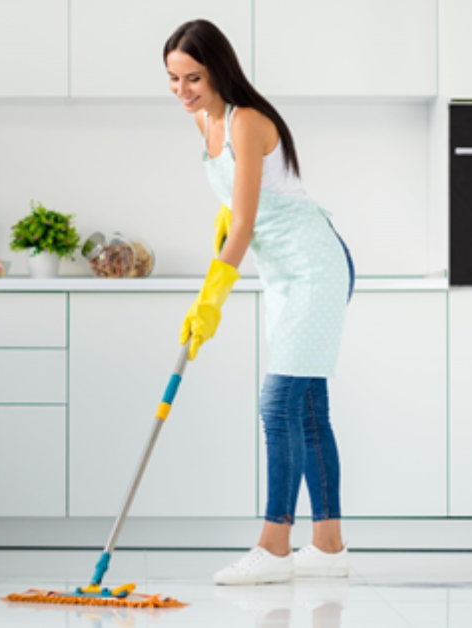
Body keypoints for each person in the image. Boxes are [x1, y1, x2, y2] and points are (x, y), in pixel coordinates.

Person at [163, 19, 356, 585]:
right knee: (307, 409)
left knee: (278, 406)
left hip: (315, 267)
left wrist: (212, 296)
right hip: (283, 273)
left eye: (192, 78)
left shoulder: (246, 121)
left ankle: (274, 549)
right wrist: (224, 235)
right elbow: (240, 205)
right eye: (173, 80)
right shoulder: (206, 122)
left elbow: (245, 222)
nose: (182, 91)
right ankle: (328, 546)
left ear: (219, 69)